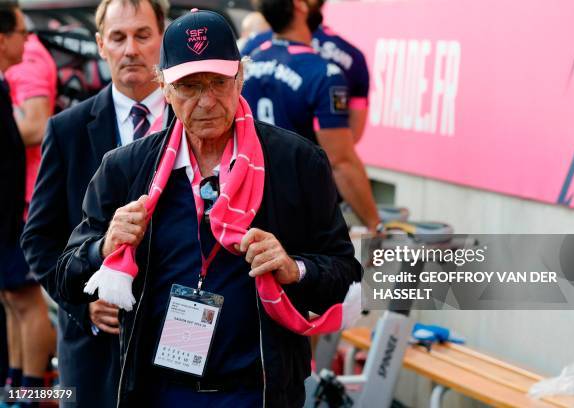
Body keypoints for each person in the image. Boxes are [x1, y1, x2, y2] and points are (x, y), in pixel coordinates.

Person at [54, 9, 361, 407]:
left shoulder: (296, 162)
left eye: (218, 82)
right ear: (164, 88)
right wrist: (103, 247)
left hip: (258, 390)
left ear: (240, 79)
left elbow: (346, 273)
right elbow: (65, 277)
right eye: (189, 86)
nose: (206, 101)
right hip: (158, 391)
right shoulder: (126, 169)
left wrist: (294, 268)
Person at [20, 1, 168, 406]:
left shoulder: (191, 121)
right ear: (102, 45)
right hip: (93, 359)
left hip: (174, 350)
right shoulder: (67, 128)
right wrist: (80, 304)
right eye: (118, 38)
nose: (130, 49)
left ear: (162, 38)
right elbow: (39, 238)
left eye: (142, 35)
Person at [241, 0, 380, 233]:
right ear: (299, 6)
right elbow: (341, 161)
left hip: (247, 205)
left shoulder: (248, 58)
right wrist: (375, 224)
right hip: (301, 211)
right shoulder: (324, 73)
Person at [0, 5, 55, 407]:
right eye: (23, 30)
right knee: (11, 299)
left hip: (23, 206)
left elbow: (34, 126)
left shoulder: (32, 61)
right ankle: (16, 387)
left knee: (26, 297)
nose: (28, 37)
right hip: (10, 208)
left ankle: (31, 392)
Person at [241, 0, 370, 143]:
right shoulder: (349, 59)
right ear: (299, 5)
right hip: (309, 159)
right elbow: (344, 149)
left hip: (250, 160)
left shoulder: (252, 47)